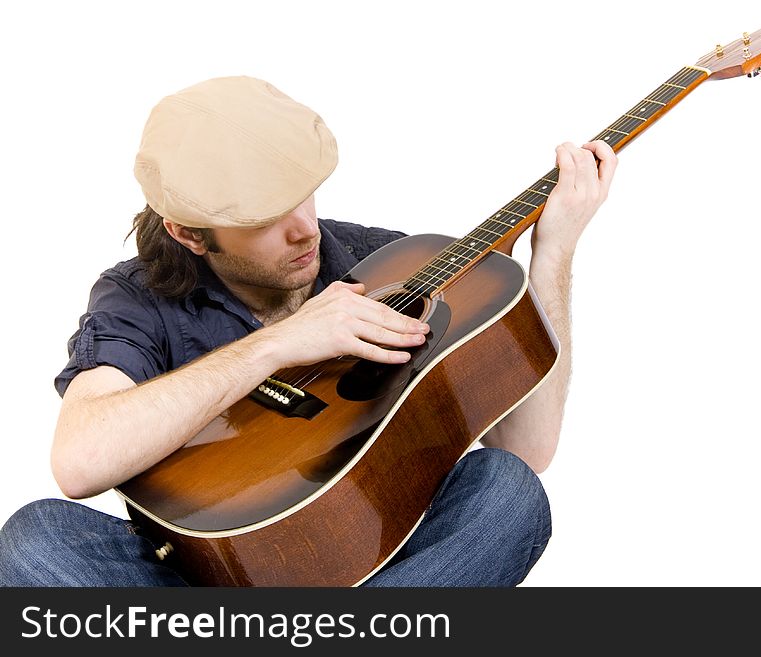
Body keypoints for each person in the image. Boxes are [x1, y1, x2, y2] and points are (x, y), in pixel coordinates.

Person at [0, 75, 617, 586]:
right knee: (37, 540)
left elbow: (526, 449)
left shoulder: (388, 263)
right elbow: (79, 464)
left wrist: (553, 255)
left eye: (306, 195)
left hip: (376, 557)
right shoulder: (137, 293)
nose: (305, 230)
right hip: (203, 575)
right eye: (267, 218)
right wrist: (278, 344)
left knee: (508, 493)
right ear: (190, 234)